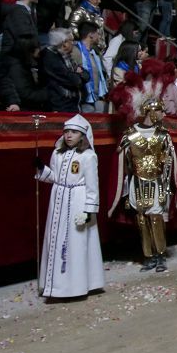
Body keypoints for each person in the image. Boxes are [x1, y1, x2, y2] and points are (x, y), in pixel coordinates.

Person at [107, 76, 177, 273]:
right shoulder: (130, 134)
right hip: (137, 183)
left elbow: (171, 161)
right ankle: (148, 255)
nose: (163, 113)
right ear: (150, 111)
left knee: (156, 218)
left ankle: (160, 254)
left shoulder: (163, 135)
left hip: (157, 182)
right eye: (160, 110)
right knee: (142, 219)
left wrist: (168, 183)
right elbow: (121, 160)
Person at [33, 115, 105, 299]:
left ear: (82, 135)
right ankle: (55, 285)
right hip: (58, 200)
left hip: (77, 202)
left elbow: (92, 187)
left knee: (75, 243)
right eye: (66, 132)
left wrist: (89, 211)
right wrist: (42, 169)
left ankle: (76, 286)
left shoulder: (88, 156)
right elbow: (54, 178)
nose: (69, 135)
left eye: (74, 132)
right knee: (55, 241)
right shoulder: (57, 154)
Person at [41, 28, 88, 113]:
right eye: (71, 40)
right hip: (60, 107)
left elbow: (86, 75)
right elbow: (74, 80)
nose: (74, 43)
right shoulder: (51, 59)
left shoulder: (67, 56)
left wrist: (79, 75)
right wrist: (79, 75)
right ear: (64, 43)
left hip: (73, 105)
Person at [1, 37, 49, 110]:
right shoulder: (16, 68)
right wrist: (49, 93)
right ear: (29, 50)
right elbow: (26, 94)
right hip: (24, 108)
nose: (39, 50)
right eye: (37, 48)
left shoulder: (23, 63)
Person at [71, 22, 108, 113]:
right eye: (98, 34)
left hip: (96, 97)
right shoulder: (76, 51)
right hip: (84, 98)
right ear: (90, 35)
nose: (99, 37)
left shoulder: (94, 53)